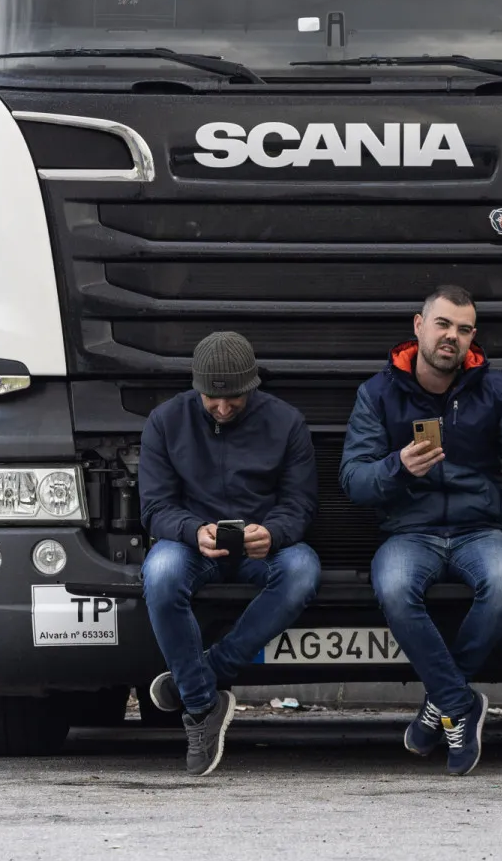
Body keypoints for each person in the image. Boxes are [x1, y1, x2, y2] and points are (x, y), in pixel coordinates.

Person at [340, 286, 502, 776]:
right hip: (410, 532)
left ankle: (439, 704)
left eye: (464, 330)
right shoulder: (377, 393)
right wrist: (398, 467)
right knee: (395, 587)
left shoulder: (497, 389)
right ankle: (459, 703)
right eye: (444, 324)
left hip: (479, 529)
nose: (453, 337)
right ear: (419, 325)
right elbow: (354, 481)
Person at [137, 331, 320, 776]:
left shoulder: (286, 422)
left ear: (251, 385)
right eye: (211, 398)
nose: (222, 407)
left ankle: (202, 674)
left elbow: (300, 505)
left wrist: (273, 533)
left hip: (260, 546)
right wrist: (192, 530)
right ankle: (201, 707)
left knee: (302, 570)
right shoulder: (164, 421)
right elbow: (154, 508)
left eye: (233, 397)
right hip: (191, 544)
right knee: (159, 574)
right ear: (196, 386)